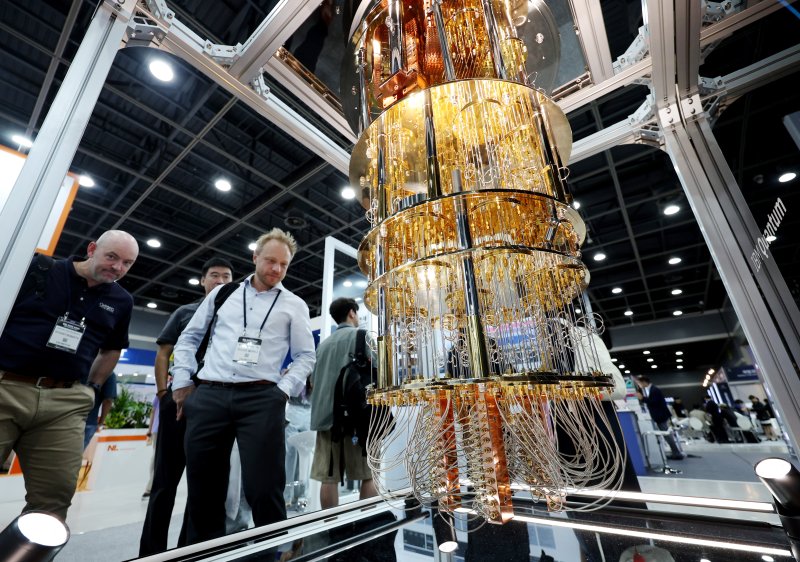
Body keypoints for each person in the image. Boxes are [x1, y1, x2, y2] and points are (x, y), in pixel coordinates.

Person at [171, 228, 316, 544]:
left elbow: (306, 356)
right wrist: (182, 381)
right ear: (255, 257)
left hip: (261, 398)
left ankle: (271, 550)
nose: (276, 269)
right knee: (203, 487)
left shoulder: (294, 304)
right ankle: (204, 552)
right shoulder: (223, 294)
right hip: (210, 394)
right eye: (270, 261)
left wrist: (282, 390)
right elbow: (189, 338)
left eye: (284, 264)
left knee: (265, 487)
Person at [0, 230, 138, 519]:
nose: (118, 267)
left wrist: (92, 387)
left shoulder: (121, 300)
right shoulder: (39, 269)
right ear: (92, 249)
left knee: (55, 498)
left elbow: (112, 349)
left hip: (65, 401)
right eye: (112, 257)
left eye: (127, 263)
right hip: (7, 387)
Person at [139, 257, 233, 555]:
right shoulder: (184, 312)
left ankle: (188, 550)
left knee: (203, 485)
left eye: (226, 277)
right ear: (203, 280)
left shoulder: (235, 317)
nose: (220, 281)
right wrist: (163, 393)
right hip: (177, 401)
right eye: (214, 275)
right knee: (165, 481)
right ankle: (151, 552)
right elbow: (163, 353)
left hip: (215, 407)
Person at [309, 297, 377, 509]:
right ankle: (365, 522)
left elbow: (312, 382)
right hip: (358, 418)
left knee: (328, 477)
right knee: (368, 474)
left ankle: (331, 524)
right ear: (351, 313)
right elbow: (379, 372)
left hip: (326, 419)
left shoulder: (322, 346)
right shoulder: (363, 337)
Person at [635, 376, 685, 460]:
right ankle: (675, 452)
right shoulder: (652, 389)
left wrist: (642, 398)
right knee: (667, 435)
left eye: (639, 383)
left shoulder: (654, 390)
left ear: (644, 382)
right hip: (660, 415)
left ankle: (676, 453)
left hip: (660, 416)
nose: (639, 385)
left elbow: (654, 403)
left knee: (667, 435)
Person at [83, 375, 118, 449]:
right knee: (76, 451)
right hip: (89, 420)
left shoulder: (83, 367)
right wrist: (101, 423)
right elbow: (108, 400)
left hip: (68, 415)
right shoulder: (109, 374)